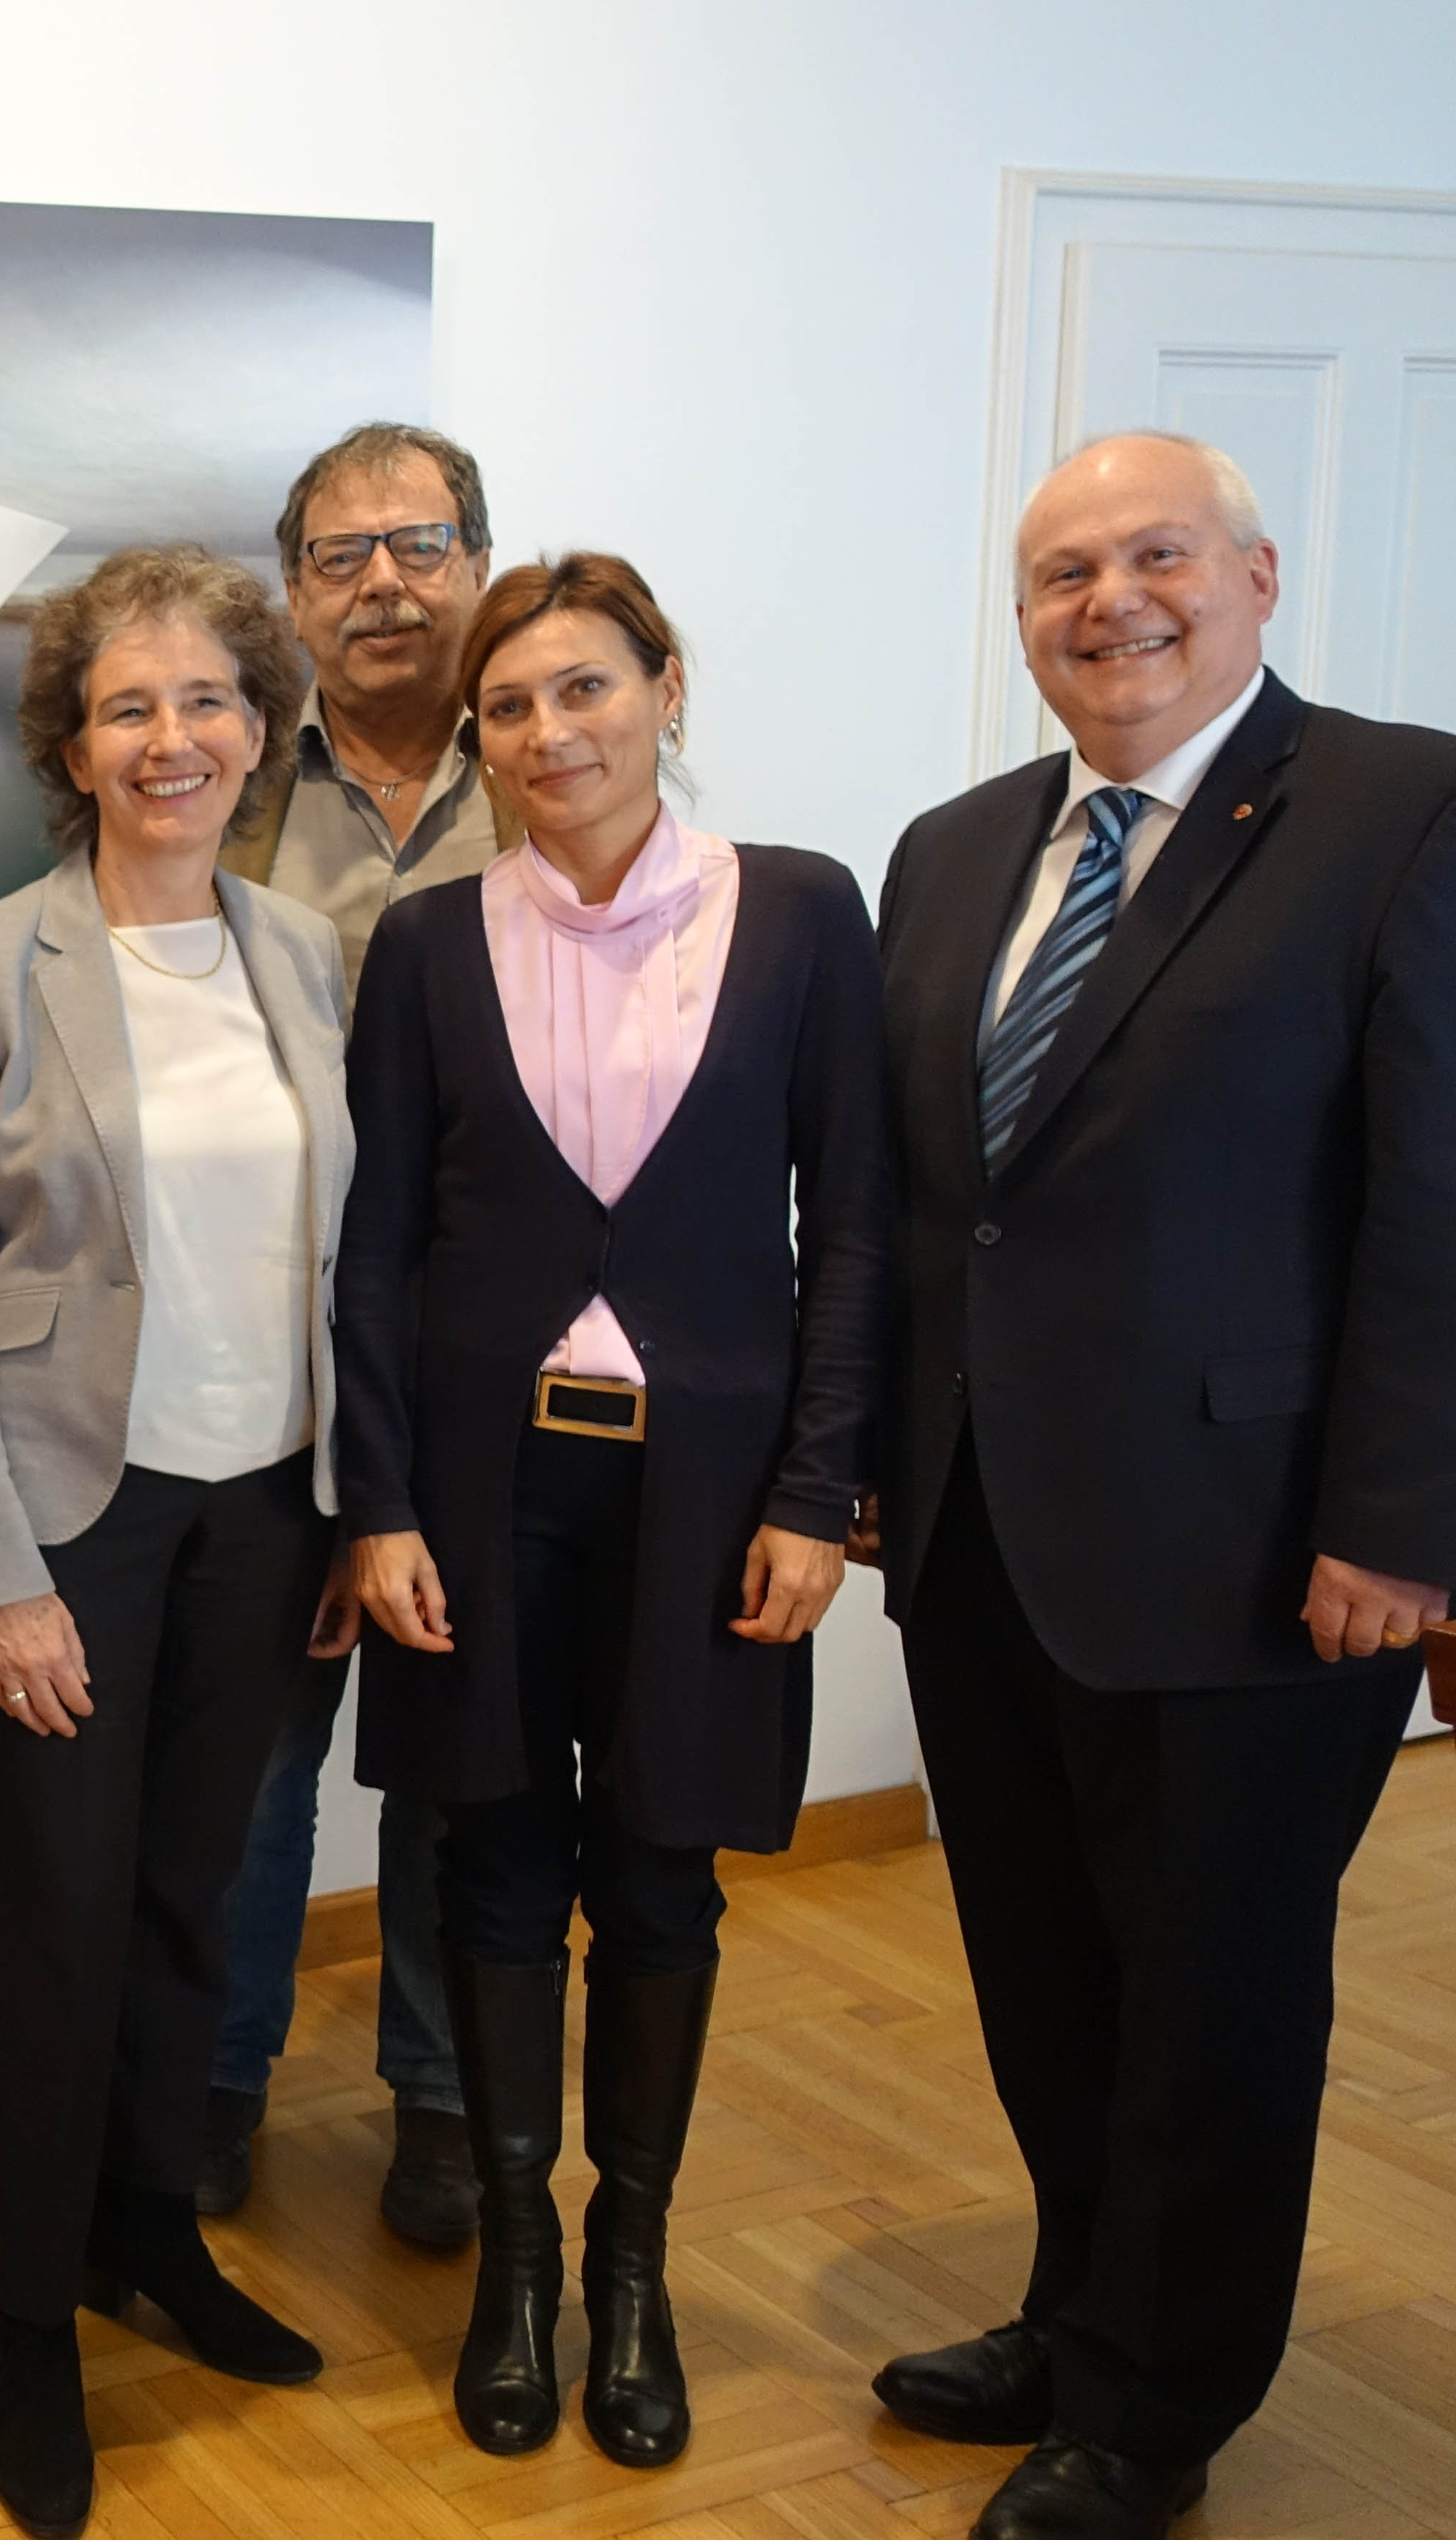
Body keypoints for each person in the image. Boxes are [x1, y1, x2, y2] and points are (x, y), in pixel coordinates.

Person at [865, 431, 1456, 2540]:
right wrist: (874, 1462)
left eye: (1156, 555)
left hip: (1259, 1548)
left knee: (1211, 1998)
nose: (1108, 601)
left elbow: (1438, 1197)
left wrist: (1403, 1523)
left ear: (1256, 577)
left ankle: (1154, 2408)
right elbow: (935, 1206)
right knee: (1047, 1971)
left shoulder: (1399, 808)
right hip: (981, 1533)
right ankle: (1078, 2309)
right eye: (1061, 574)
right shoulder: (953, 852)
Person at [337, 553, 891, 2473]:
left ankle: (630, 2272)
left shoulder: (798, 910)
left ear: (664, 687)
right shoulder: (427, 943)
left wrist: (816, 1487)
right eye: (506, 706)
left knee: (661, 1875)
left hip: (710, 1491)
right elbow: (376, 1250)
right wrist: (377, 1501)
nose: (545, 731)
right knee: (489, 1865)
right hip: (482, 1488)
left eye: (582, 687)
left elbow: (856, 1229)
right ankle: (515, 2269)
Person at [0, 546, 357, 2537]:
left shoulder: (301, 950)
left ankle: (147, 2231)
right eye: (128, 707)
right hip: (72, 1520)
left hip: (267, 1506)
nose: (174, 738)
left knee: (193, 1896)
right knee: (66, 1922)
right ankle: (30, 2322)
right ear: (70, 747)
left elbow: (344, 1253)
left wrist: (353, 1505)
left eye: (209, 700)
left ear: (260, 728)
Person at [205, 420, 520, 2241]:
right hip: (262, 1341)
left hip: (486, 1353)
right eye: (341, 554)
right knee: (253, 1754)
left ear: (477, 556)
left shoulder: (553, 759)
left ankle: (442, 2092)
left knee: (463, 1746)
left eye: (418, 542)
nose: (384, 582)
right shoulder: (232, 773)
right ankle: (217, 2080)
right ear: (293, 590)